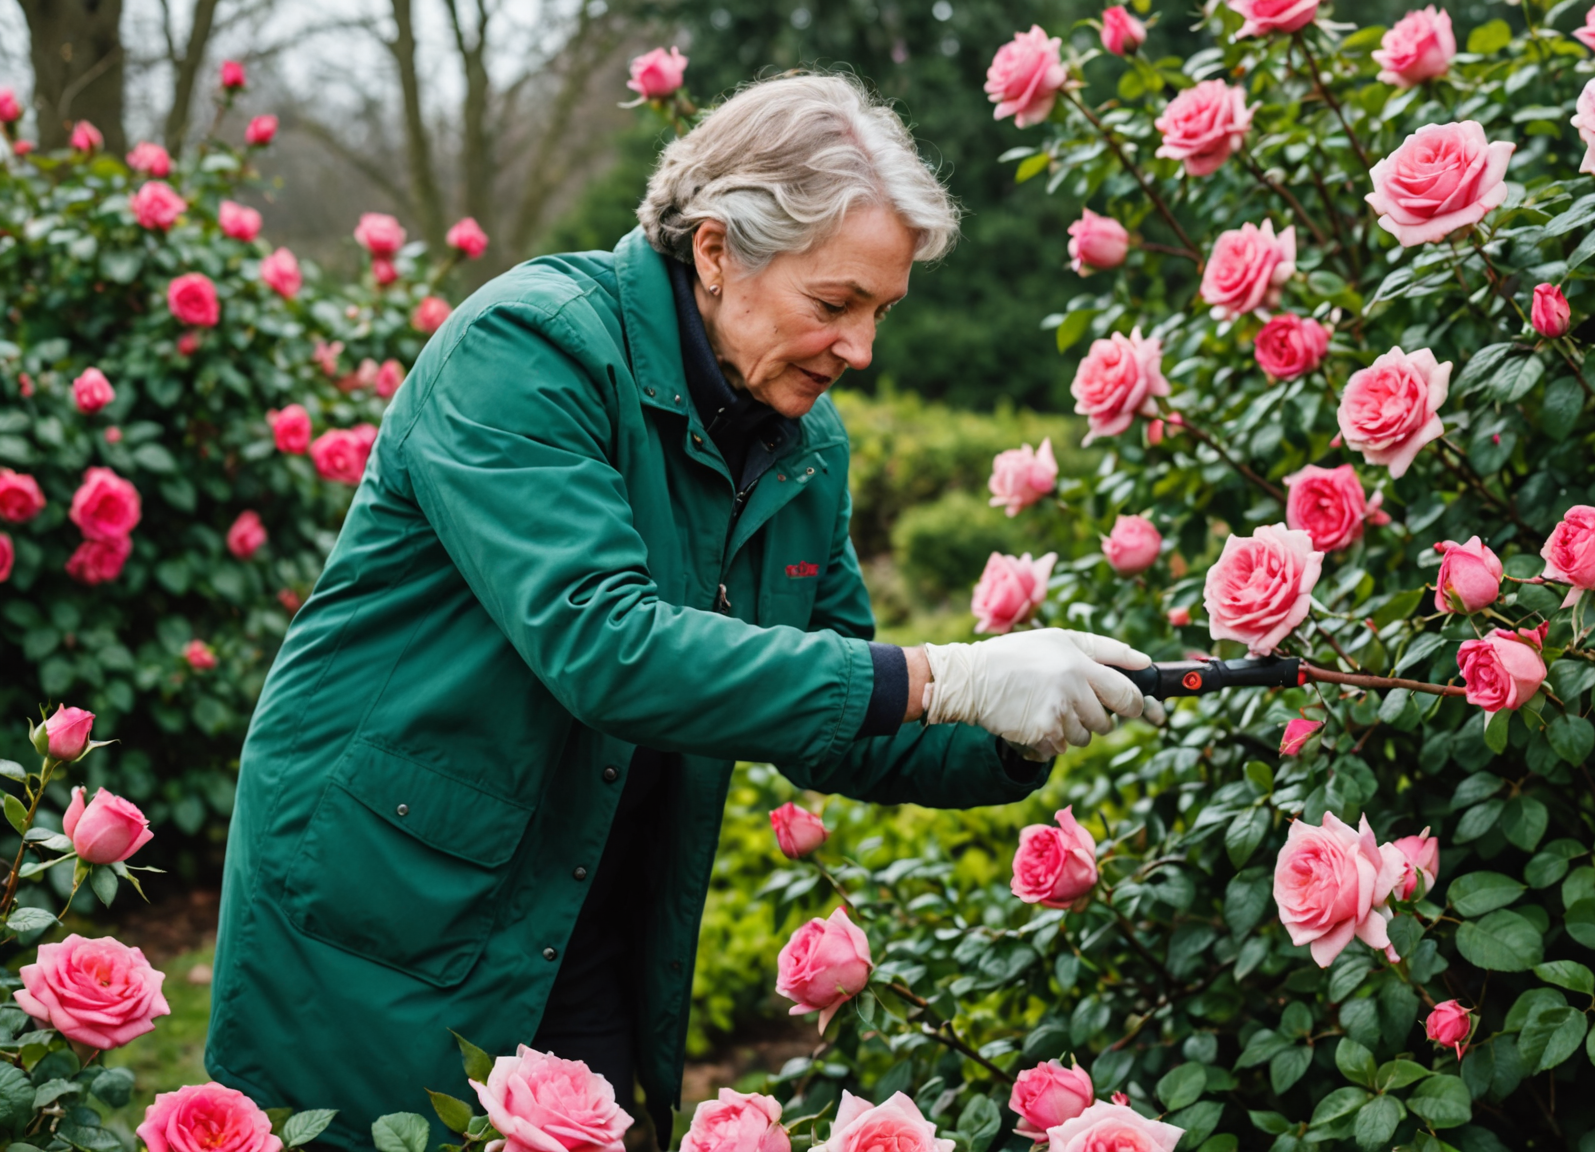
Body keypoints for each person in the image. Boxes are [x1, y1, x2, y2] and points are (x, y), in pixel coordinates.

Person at [205, 73, 1158, 1151]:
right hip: (391, 905)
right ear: (716, 252)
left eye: (880, 312)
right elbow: (602, 643)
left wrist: (1011, 722)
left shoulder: (802, 438)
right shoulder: (531, 350)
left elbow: (836, 694)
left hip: (597, 904)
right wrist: (949, 675)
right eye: (834, 304)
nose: (861, 351)